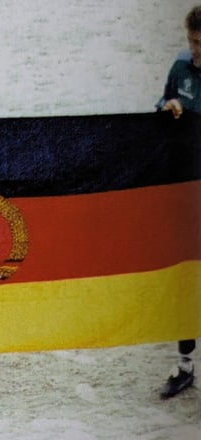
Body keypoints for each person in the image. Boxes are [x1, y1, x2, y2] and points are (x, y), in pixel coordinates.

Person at [156, 5, 201, 400]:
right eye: (191, 42)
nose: (195, 50)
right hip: (188, 190)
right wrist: (166, 108)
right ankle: (185, 366)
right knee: (186, 280)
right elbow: (162, 103)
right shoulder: (181, 67)